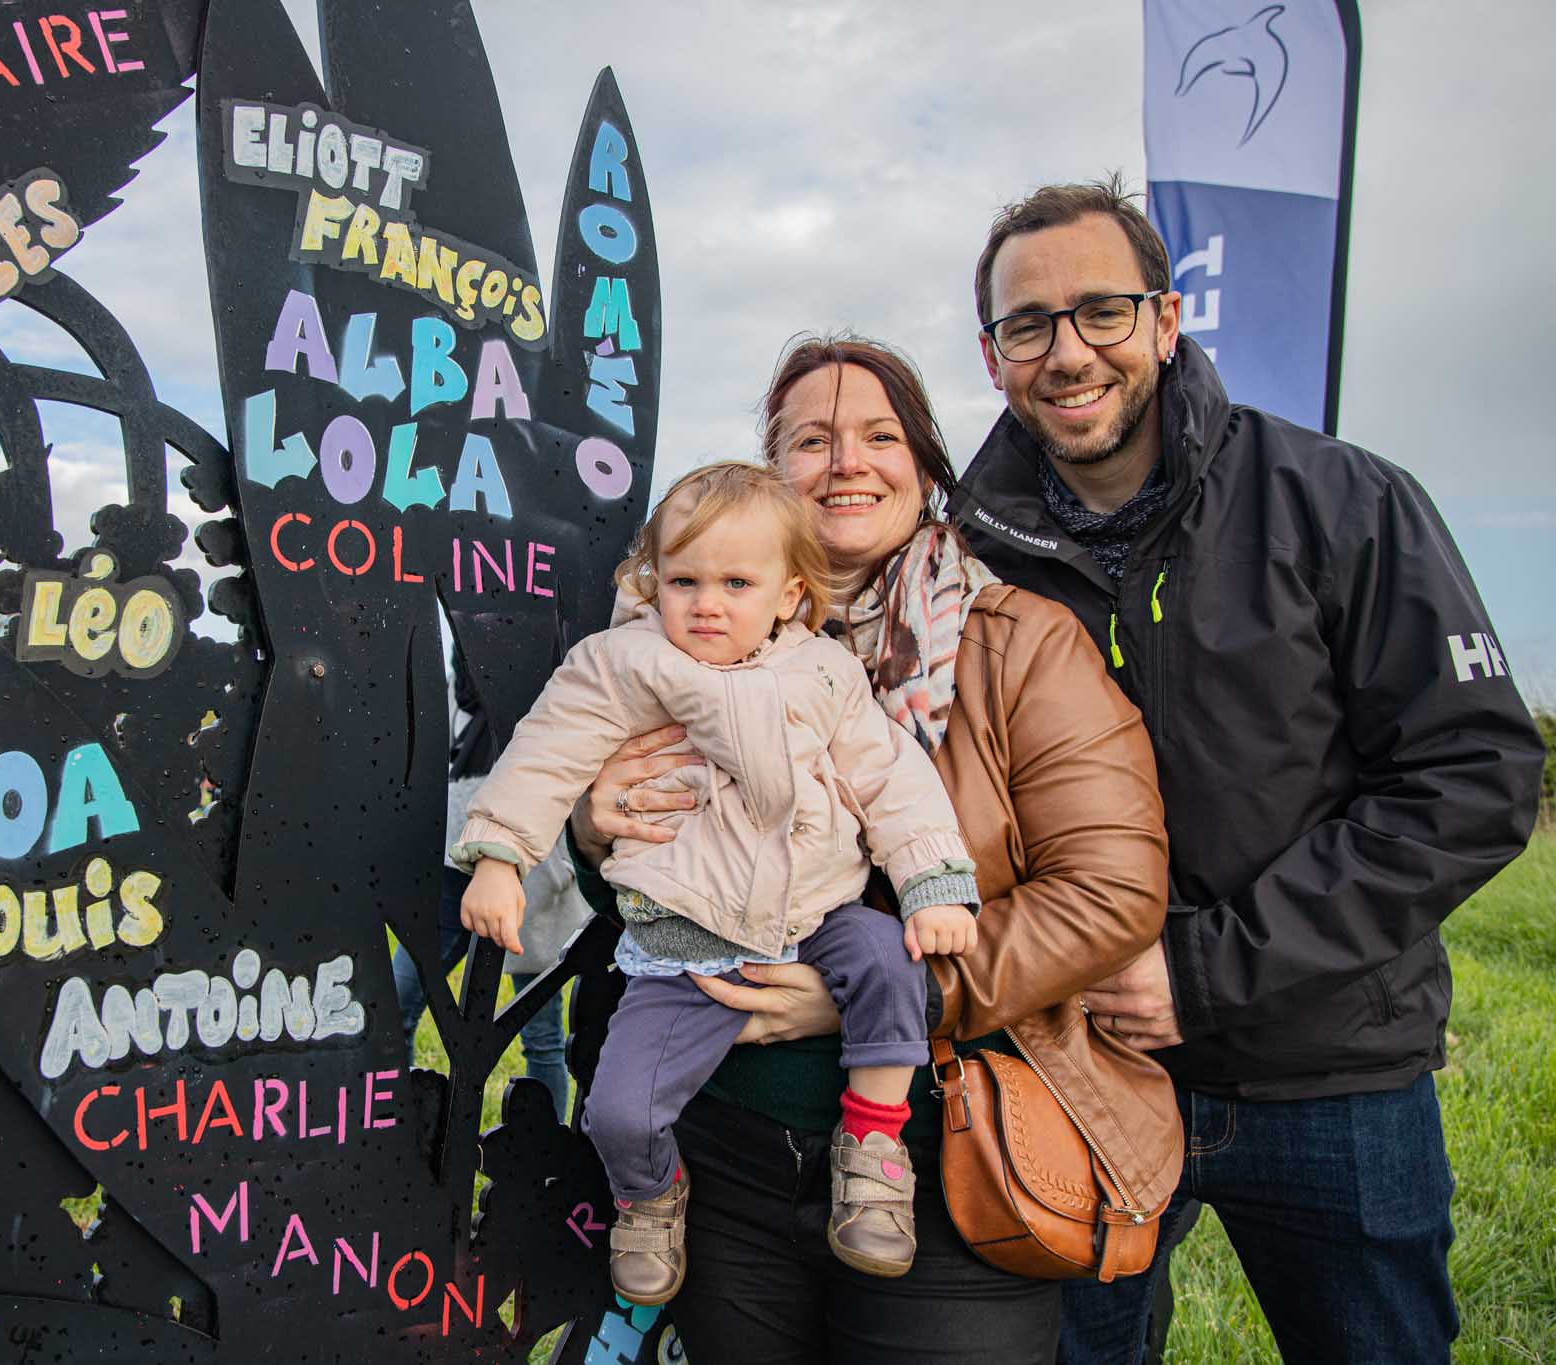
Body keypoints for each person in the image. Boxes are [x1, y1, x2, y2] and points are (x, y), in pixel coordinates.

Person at [953, 177, 1544, 1362]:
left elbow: (1470, 774)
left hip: (1329, 1073)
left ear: (1166, 322)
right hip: (1069, 1070)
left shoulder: (1341, 500)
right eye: (1028, 325)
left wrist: (1206, 971)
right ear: (991, 355)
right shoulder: (960, 555)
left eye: (1100, 312)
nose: (1066, 352)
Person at [567, 338, 1178, 1362]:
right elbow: (619, 876)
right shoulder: (673, 644)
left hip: (941, 1156)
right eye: (810, 440)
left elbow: (1107, 892)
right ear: (771, 477)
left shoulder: (1017, 642)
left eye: (879, 437)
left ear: (926, 468)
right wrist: (594, 828)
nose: (845, 462)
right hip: (722, 1155)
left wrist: (894, 988)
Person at [456, 460, 983, 1305]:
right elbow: (546, 750)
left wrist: (933, 880)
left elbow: (891, 778)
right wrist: (499, 857)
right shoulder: (623, 664)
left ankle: (874, 1149)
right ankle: (648, 1194)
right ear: (651, 581)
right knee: (618, 1111)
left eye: (737, 582)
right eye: (685, 580)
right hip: (688, 937)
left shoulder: (822, 673)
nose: (707, 603)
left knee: (891, 962)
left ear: (788, 596)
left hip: (817, 909)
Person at [389, 647, 585, 1123]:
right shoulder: (481, 646)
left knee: (540, 1028)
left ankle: (543, 1153)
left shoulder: (571, 656)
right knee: (399, 1000)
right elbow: (472, 692)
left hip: (538, 850)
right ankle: (392, 1126)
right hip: (464, 838)